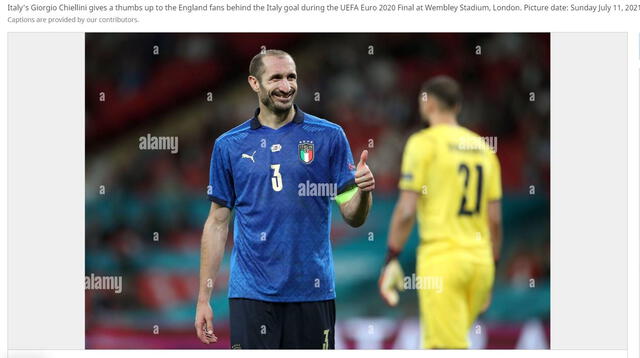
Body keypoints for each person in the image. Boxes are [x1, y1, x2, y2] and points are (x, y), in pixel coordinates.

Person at [195, 49, 375, 349]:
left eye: (291, 77)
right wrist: (203, 299)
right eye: (276, 78)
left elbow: (352, 216)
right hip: (250, 295)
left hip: (311, 292)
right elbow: (217, 223)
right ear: (255, 83)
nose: (286, 86)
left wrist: (364, 191)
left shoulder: (328, 136)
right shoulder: (229, 146)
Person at [379, 75, 502, 349]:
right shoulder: (484, 149)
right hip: (481, 264)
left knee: (443, 348)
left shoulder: (422, 143)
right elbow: (494, 219)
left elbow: (406, 211)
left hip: (443, 261)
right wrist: (491, 268)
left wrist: (392, 256)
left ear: (429, 103)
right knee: (453, 341)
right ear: (457, 107)